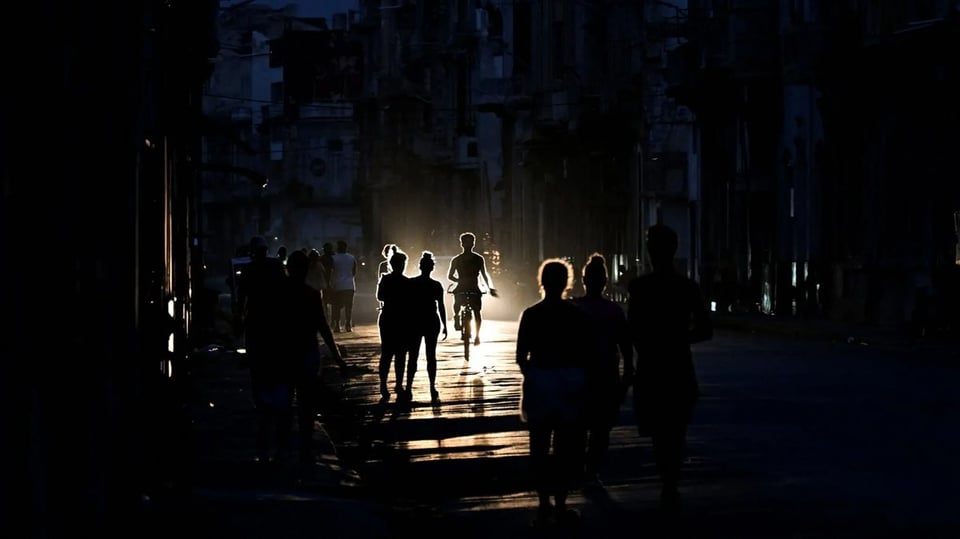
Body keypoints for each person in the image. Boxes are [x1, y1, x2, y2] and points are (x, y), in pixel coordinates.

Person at [627, 224, 712, 512]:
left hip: (652, 368)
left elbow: (632, 330)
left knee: (660, 433)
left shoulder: (639, 288)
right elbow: (705, 329)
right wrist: (679, 339)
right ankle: (670, 483)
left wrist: (643, 351)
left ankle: (668, 481)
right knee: (676, 430)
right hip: (678, 367)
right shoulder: (686, 287)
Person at [516, 258, 592, 527]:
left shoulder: (531, 314)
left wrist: (534, 375)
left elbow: (521, 355)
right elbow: (586, 354)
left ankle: (543, 504)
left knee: (538, 446)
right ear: (566, 283)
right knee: (565, 448)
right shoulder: (576, 315)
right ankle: (560, 504)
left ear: (542, 282)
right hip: (569, 383)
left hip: (540, 382)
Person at [571, 253, 634, 488]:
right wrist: (627, 377)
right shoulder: (614, 311)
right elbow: (626, 348)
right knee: (601, 430)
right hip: (606, 377)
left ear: (583, 280)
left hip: (578, 379)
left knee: (577, 429)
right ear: (605, 282)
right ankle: (592, 470)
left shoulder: (574, 308)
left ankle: (578, 469)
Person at [281, 250, 348, 466]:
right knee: (306, 403)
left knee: (284, 401)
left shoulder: (279, 294)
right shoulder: (311, 294)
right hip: (307, 352)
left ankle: (285, 448)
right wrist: (337, 358)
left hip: (286, 353)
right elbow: (324, 327)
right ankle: (305, 447)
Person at [236, 235, 291, 463]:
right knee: (269, 365)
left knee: (259, 365)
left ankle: (263, 400)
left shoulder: (250, 270)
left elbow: (242, 297)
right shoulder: (274, 266)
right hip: (271, 323)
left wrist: (238, 318)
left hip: (259, 323)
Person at [405, 251, 448, 403]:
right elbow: (441, 306)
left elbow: (406, 305)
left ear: (420, 267)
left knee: (413, 356)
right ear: (432, 268)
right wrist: (445, 325)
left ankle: (408, 387)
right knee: (431, 356)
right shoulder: (436, 285)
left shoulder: (411, 283)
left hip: (415, 322)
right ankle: (431, 386)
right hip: (431, 321)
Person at [447, 232, 497, 346]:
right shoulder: (465, 259)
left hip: (471, 288)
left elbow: (484, 275)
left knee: (476, 311)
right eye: (468, 243)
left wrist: (490, 287)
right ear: (462, 244)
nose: (469, 245)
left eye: (471, 243)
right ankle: (456, 317)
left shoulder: (473, 259)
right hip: (469, 287)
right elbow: (449, 275)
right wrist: (459, 281)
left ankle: (477, 335)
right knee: (468, 308)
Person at [376, 249, 411, 400]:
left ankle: (384, 385)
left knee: (387, 353)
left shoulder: (385, 280)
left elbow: (380, 296)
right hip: (401, 319)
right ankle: (398, 384)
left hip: (388, 317)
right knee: (400, 354)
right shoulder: (406, 282)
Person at [330, 240, 357, 332]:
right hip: (349, 285)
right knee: (348, 307)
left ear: (338, 248)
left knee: (337, 307)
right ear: (346, 248)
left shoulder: (333, 258)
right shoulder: (351, 258)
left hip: (337, 285)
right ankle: (348, 324)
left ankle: (337, 325)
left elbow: (331, 272)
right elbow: (354, 272)